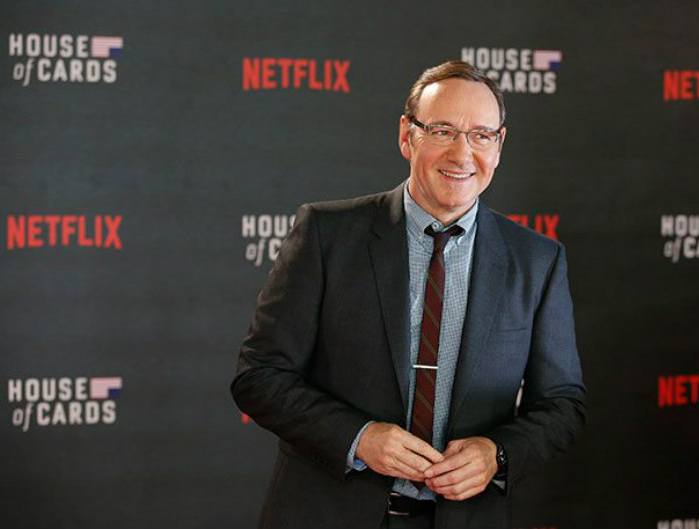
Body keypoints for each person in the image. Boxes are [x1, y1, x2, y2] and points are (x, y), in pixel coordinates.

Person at [232, 60, 586, 529]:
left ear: (499, 146)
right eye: (443, 131)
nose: (462, 154)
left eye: (481, 135)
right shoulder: (326, 234)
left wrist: (497, 453)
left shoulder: (537, 260)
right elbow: (259, 376)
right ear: (407, 136)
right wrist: (359, 439)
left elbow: (562, 404)